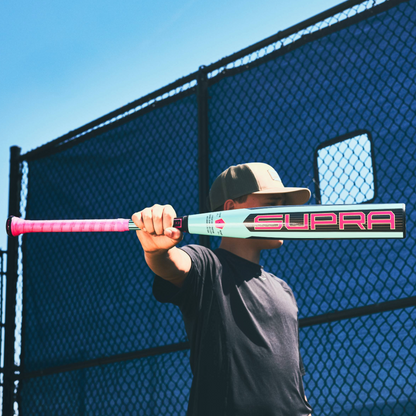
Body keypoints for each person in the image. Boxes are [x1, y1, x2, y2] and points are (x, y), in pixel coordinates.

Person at [132, 162, 313, 416]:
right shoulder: (208, 266)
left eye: (284, 204)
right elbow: (172, 264)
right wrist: (156, 250)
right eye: (272, 202)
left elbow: (294, 382)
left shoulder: (284, 290)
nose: (283, 212)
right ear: (230, 209)